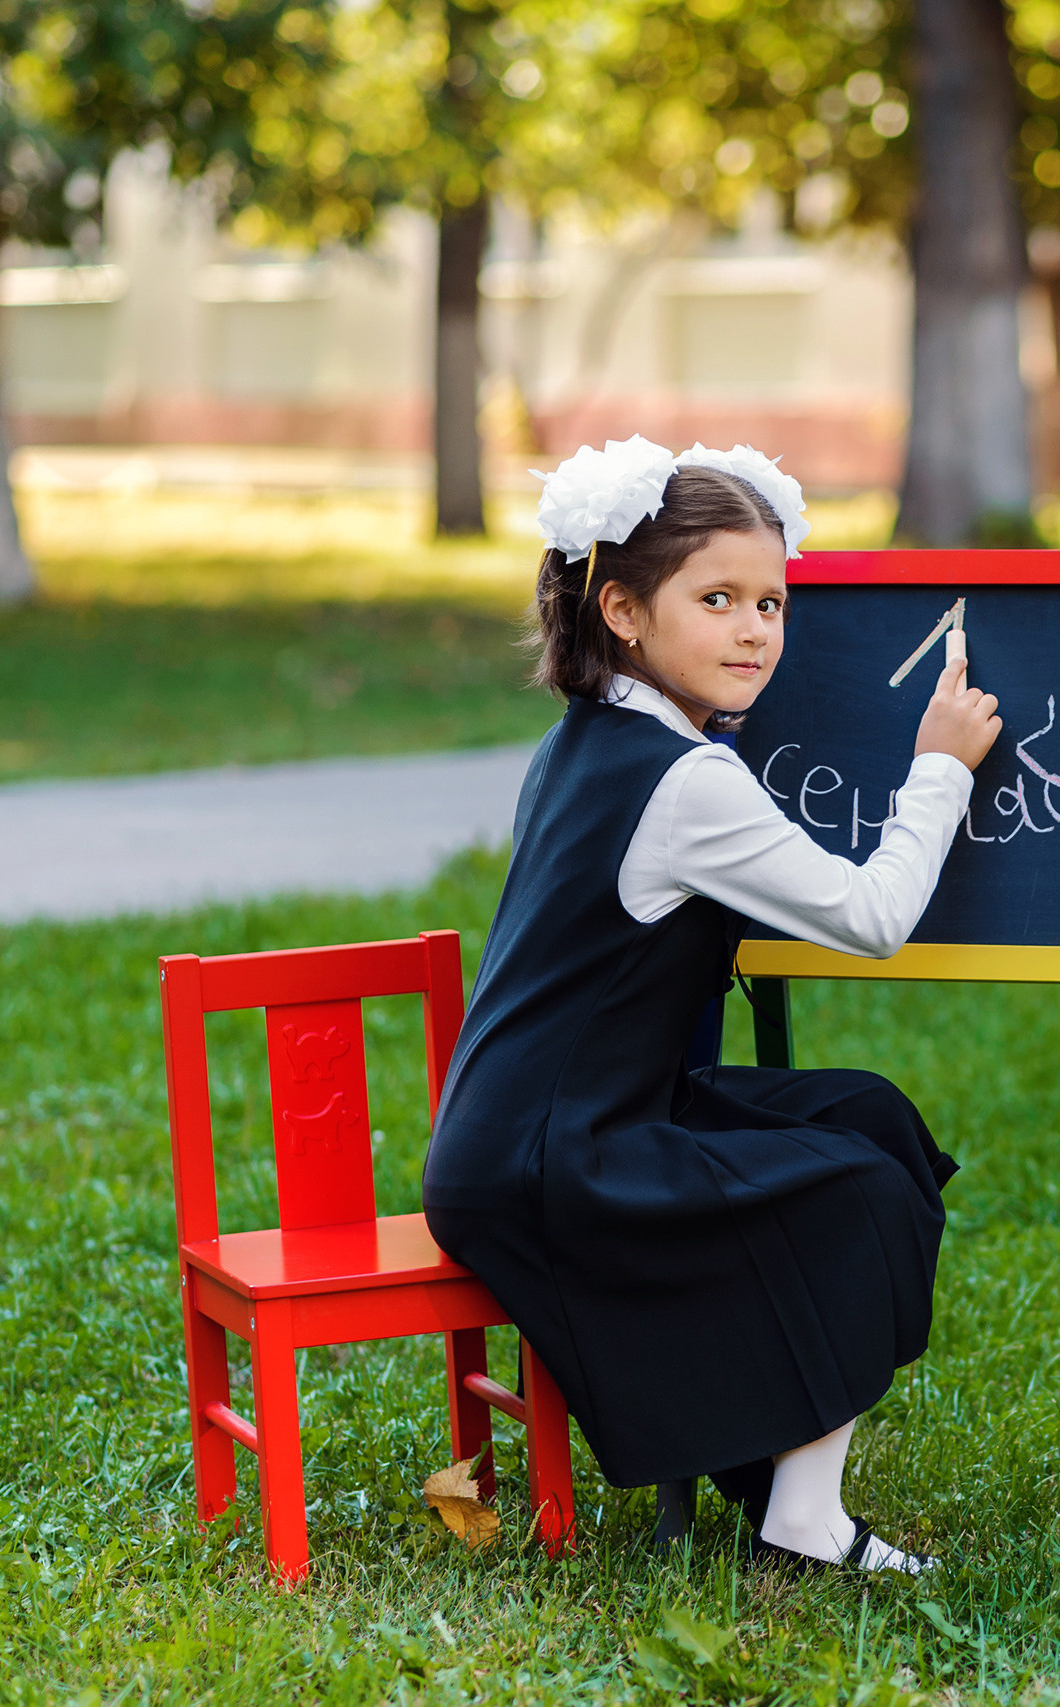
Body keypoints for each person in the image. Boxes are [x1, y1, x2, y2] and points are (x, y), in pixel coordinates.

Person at [423, 436, 1003, 1574]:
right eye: (719, 599)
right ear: (625, 612)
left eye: (773, 603)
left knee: (865, 1119)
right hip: (555, 1156)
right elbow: (872, 915)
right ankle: (802, 1520)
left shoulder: (599, 736)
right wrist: (939, 765)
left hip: (545, 1122)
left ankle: (779, 1477)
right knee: (860, 1192)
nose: (756, 630)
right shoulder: (687, 780)